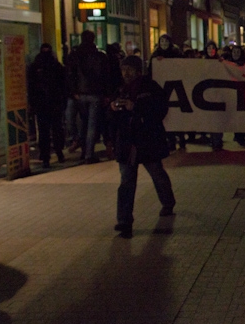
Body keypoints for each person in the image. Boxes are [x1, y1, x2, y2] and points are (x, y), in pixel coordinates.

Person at [109, 55, 176, 238]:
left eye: (130, 69)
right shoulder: (120, 89)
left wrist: (136, 107)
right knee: (126, 182)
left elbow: (160, 110)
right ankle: (124, 221)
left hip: (147, 141)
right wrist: (114, 108)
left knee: (157, 173)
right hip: (127, 143)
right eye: (124, 69)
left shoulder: (150, 87)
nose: (126, 73)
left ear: (139, 70)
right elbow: (112, 119)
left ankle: (168, 201)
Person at [66, 30, 109, 164]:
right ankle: (88, 154)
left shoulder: (75, 55)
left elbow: (70, 74)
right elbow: (104, 76)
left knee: (81, 123)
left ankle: (82, 146)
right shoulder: (100, 56)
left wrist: (74, 91)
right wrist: (105, 94)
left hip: (80, 94)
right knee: (91, 125)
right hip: (95, 94)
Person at [27, 44, 67, 168]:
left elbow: (31, 87)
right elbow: (63, 84)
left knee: (43, 131)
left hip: (41, 104)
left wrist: (32, 103)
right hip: (55, 103)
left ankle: (45, 157)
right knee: (57, 129)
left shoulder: (34, 67)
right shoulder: (56, 65)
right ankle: (59, 152)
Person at [149, 34, 186, 151]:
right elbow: (151, 71)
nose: (164, 44)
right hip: (162, 90)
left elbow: (184, 66)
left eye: (166, 41)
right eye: (162, 41)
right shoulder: (155, 55)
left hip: (176, 87)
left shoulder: (177, 53)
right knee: (167, 116)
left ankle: (181, 139)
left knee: (177, 114)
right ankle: (171, 141)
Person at [203, 40, 224, 150]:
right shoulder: (201, 63)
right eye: (208, 48)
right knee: (211, 118)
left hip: (218, 93)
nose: (211, 50)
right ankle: (214, 139)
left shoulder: (220, 61)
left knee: (218, 118)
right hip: (206, 94)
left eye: (213, 48)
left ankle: (218, 140)